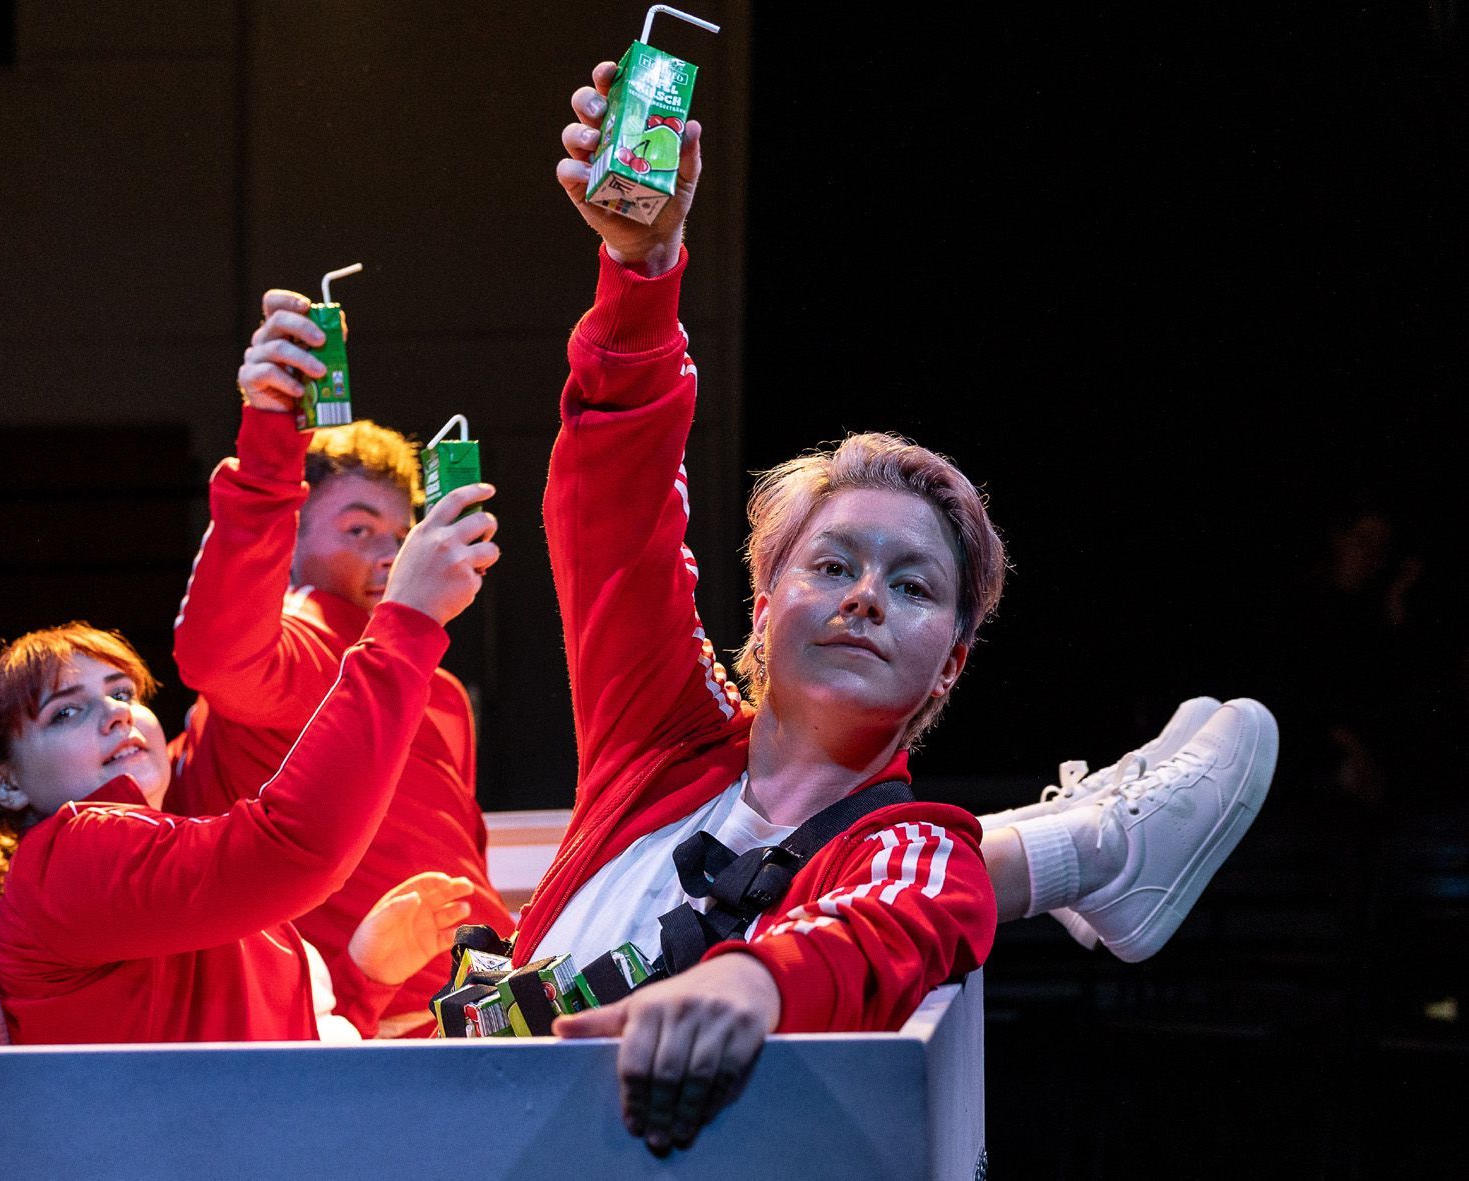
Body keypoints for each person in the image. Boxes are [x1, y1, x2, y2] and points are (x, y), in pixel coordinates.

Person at [531, 60, 1278, 1155]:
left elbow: (890, 922)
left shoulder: (917, 844)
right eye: (832, 564)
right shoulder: (660, 743)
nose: (866, 597)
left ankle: (1096, 845)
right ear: (763, 605)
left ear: (951, 665)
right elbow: (612, 511)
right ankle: (1095, 845)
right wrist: (640, 270)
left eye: (914, 585)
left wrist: (749, 983)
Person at [0, 402, 503, 1044]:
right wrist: (409, 620)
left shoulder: (179, 848)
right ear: (4, 782)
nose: (116, 714)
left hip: (423, 1019)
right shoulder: (73, 854)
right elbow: (289, 844)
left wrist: (362, 978)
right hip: (415, 1043)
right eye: (65, 711)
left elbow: (281, 1041)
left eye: (124, 692)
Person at [169, 308, 513, 1037]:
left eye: (402, 533)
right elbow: (216, 654)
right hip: (374, 1031)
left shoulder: (444, 692)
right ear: (286, 543)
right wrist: (270, 441)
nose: (390, 553)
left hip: (497, 1001)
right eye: (357, 530)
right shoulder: (296, 639)